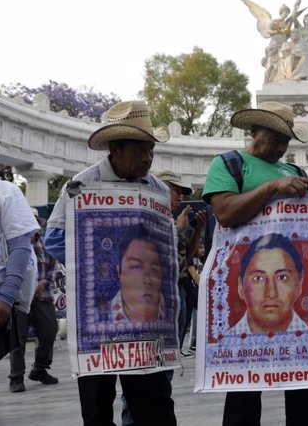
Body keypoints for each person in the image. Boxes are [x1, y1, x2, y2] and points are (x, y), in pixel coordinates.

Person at [44, 100, 176, 426]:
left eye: (151, 151)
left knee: (154, 404)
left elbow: (163, 241)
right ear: (115, 149)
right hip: (94, 321)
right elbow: (54, 240)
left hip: (145, 324)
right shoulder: (80, 186)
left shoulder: (156, 189)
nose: (148, 158)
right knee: (97, 406)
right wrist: (100, 266)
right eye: (140, 150)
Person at [202, 101, 308, 426]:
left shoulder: (296, 172)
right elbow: (225, 213)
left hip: (290, 297)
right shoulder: (229, 164)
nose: (283, 145)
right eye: (276, 136)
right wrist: (271, 188)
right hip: (247, 299)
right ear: (253, 131)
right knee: (243, 394)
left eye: (287, 139)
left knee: (305, 395)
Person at [154, 169, 207, 354]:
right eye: (177, 192)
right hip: (161, 295)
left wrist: (197, 230)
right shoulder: (151, 218)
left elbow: (186, 256)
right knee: (163, 349)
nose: (180, 198)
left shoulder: (172, 219)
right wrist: (178, 229)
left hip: (181, 291)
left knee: (173, 349)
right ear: (162, 191)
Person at [8, 210, 59, 392]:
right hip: (18, 298)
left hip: (42, 296)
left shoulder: (45, 244)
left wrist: (43, 284)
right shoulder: (10, 244)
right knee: (17, 338)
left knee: (49, 331)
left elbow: (54, 266)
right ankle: (16, 377)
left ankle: (40, 368)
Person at [231, 233, 308, 334]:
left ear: (299, 284)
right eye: (258, 278)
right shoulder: (221, 346)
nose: (271, 293)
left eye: (282, 277)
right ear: (241, 287)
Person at [108, 225, 165, 323]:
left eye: (154, 269)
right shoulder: (97, 318)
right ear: (119, 271)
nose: (147, 279)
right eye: (136, 267)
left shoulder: (169, 313)